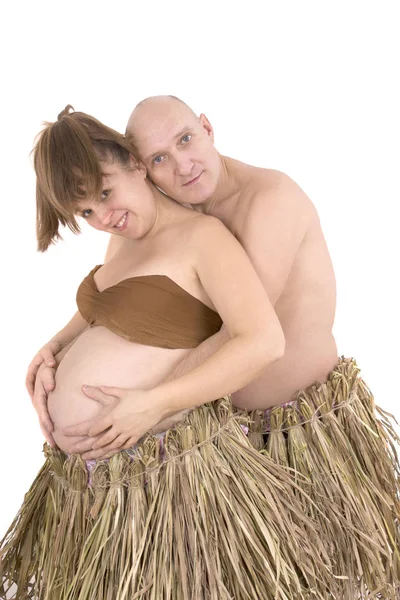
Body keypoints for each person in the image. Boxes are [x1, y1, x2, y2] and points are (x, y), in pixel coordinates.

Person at [24, 99, 400, 598]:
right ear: (143, 164)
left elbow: (241, 335)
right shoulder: (148, 217)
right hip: (218, 429)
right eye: (159, 157)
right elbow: (121, 298)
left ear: (207, 127)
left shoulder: (265, 204)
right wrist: (56, 349)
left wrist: (148, 403)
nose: (181, 166)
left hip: (293, 427)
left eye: (185, 140)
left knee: (330, 581)